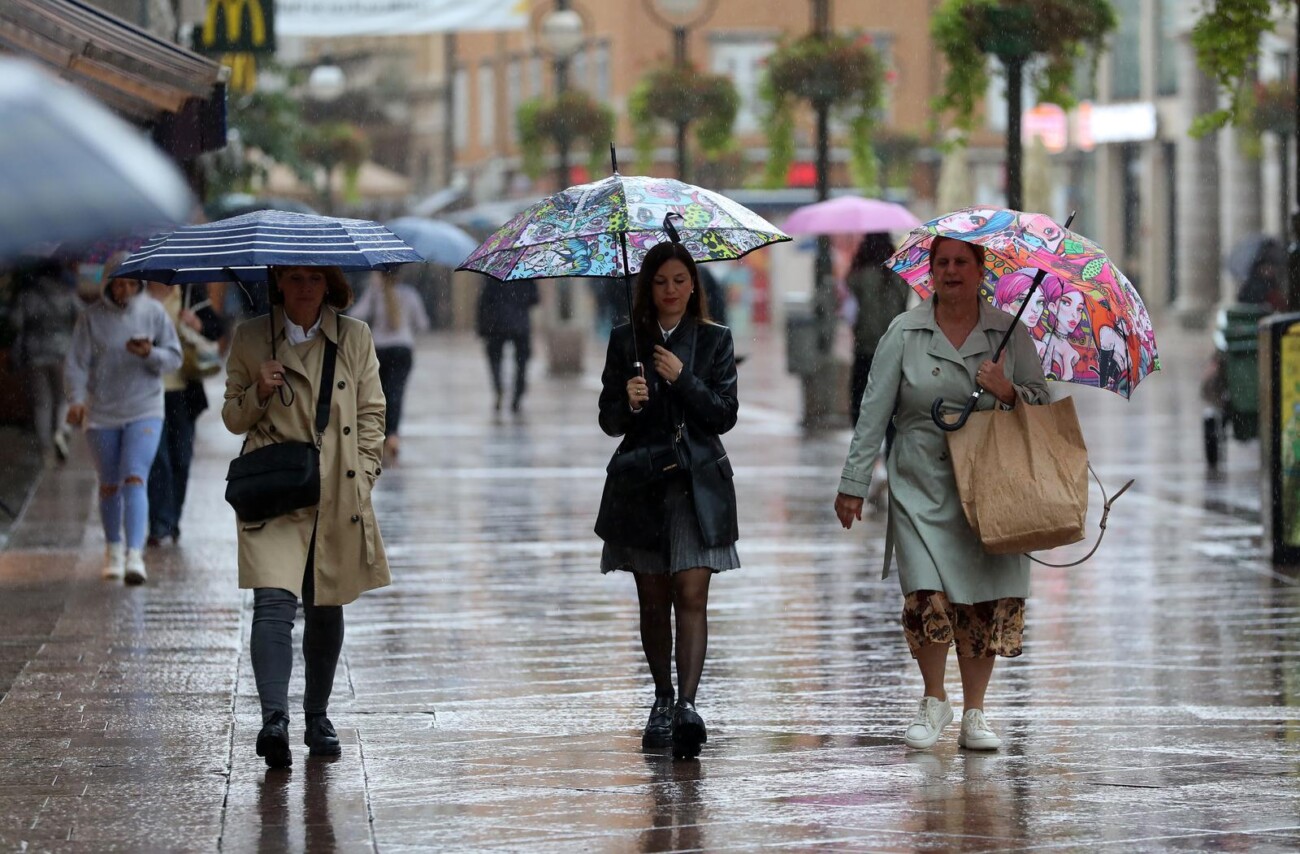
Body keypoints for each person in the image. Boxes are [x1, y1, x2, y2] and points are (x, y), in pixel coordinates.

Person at [833, 236, 1048, 752]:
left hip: (991, 487)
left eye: (961, 262)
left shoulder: (1008, 332)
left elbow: (1042, 403)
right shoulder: (904, 332)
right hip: (919, 484)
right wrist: (854, 484)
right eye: (942, 263)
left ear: (980, 271)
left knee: (981, 600)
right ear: (929, 271)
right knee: (925, 597)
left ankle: (975, 712)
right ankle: (934, 699)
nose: (951, 271)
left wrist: (1006, 391)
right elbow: (873, 412)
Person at [223, 265, 390, 769]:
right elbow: (233, 417)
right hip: (275, 488)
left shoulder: (354, 336)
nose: (304, 289)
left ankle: (316, 714)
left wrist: (362, 475)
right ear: (277, 283)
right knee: (272, 601)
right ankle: (275, 718)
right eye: (293, 279)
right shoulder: (252, 336)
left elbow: (371, 414)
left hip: (336, 487)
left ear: (327, 284)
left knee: (325, 601)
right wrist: (260, 390)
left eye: (313, 279)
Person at [595, 241, 739, 760]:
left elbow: (723, 414)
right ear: (647, 288)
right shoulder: (624, 341)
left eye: (680, 280)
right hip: (643, 485)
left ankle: (688, 706)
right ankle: (660, 699)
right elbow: (609, 420)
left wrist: (684, 380)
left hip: (697, 485)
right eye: (660, 282)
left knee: (692, 594)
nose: (671, 290)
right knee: (653, 600)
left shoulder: (715, 339)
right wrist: (628, 404)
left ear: (693, 285)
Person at [64, 252, 182, 584]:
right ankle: (112, 548)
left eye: (132, 283)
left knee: (134, 476)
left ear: (141, 284)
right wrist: (74, 400)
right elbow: (75, 362)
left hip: (145, 407)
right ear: (108, 284)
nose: (125, 290)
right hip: (101, 412)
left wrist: (151, 354)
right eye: (120, 283)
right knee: (110, 484)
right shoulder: (91, 318)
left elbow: (174, 357)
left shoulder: (154, 312)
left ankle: (134, 554)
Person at [145, 281, 225, 546]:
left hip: (183, 393)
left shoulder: (190, 292)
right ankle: (159, 523)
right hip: (147, 394)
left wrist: (196, 324)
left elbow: (216, 329)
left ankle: (173, 520)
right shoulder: (139, 296)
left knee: (180, 459)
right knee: (158, 461)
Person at [349, 269, 431, 460]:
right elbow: (423, 324)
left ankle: (381, 433)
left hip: (380, 350)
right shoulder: (410, 294)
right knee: (397, 391)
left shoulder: (375, 293)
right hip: (403, 349)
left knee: (381, 393)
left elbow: (355, 314)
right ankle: (393, 434)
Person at [8, 258, 80, 465]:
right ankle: (61, 431)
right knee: (63, 398)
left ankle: (45, 449)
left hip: (35, 353)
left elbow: (15, 322)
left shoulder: (28, 295)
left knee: (42, 402)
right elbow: (81, 315)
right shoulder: (67, 292)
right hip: (62, 351)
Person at [845, 233, 911, 428]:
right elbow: (903, 303)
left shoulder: (860, 275)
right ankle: (891, 447)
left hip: (866, 346)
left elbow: (849, 288)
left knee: (861, 398)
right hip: (894, 346)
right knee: (893, 401)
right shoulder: (898, 275)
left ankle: (864, 445)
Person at [476, 277, 539, 413]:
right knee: (521, 360)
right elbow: (535, 298)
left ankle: (499, 388)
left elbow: (484, 300)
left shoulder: (493, 273)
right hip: (520, 324)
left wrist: (481, 327)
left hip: (497, 323)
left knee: (495, 358)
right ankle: (517, 394)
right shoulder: (526, 273)